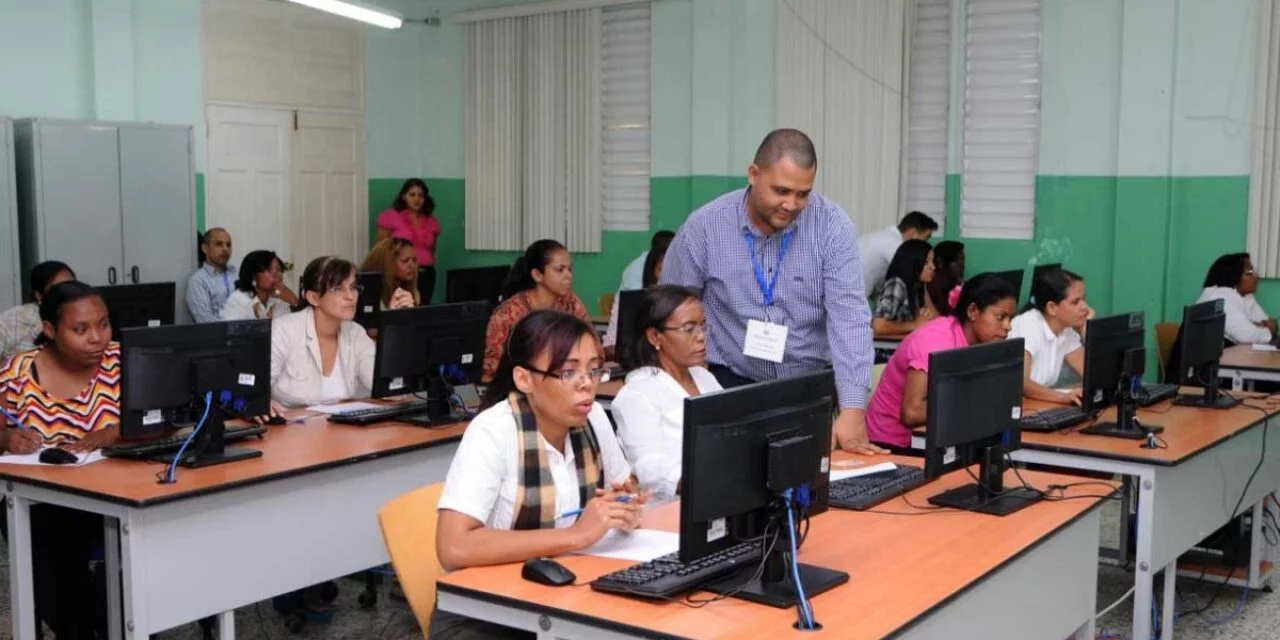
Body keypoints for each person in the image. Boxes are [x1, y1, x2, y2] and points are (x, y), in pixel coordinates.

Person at [661, 128, 879, 454]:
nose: (791, 204)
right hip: (729, 380)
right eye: (781, 190)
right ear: (753, 174)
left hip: (805, 383)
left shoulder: (832, 226)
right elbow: (670, 308)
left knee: (809, 491)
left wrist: (852, 409)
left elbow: (849, 318)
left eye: (802, 194)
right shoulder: (705, 227)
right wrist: (681, 385)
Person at [433, 310, 641, 639]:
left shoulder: (595, 418)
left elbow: (627, 487)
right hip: (488, 614)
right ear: (524, 379)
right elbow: (453, 547)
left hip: (569, 593)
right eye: (568, 372)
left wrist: (624, 506)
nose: (587, 383)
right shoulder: (493, 430)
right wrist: (578, 535)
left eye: (593, 369)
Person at [0, 280, 120, 638]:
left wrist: (115, 432)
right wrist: (7, 437)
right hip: (42, 504)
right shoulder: (16, 373)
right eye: (80, 329)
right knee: (57, 570)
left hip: (115, 492)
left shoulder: (121, 361)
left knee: (142, 566)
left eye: (103, 323)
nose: (97, 338)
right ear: (49, 330)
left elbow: (161, 419)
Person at [864, 274, 1017, 450]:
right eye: (1000, 317)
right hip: (890, 444)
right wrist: (973, 403)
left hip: (936, 437)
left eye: (1010, 319)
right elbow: (911, 413)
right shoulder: (936, 341)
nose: (1007, 326)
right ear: (972, 311)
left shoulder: (981, 343)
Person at [610, 285, 721, 500]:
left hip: (718, 498)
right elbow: (648, 466)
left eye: (703, 327)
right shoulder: (637, 393)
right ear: (654, 337)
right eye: (689, 329)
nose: (701, 337)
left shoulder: (704, 377)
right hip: (671, 509)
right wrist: (707, 480)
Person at [270, 256, 409, 408]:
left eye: (353, 287)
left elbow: (390, 389)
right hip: (293, 428)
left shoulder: (355, 333)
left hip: (342, 429)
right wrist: (265, 404)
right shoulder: (282, 331)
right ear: (313, 297)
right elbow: (253, 395)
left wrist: (395, 327)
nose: (350, 296)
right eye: (338, 289)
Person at [482, 240, 594, 383]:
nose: (569, 275)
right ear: (537, 275)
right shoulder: (508, 314)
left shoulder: (570, 303)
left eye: (570, 269)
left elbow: (593, 345)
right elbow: (491, 370)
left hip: (564, 382)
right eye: (560, 270)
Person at [1009, 268, 1091, 405]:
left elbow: (1093, 375)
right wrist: (1063, 398)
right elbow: (1021, 383)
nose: (1085, 307)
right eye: (1076, 302)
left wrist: (1087, 331)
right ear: (1052, 308)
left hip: (1038, 405)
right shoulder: (1028, 325)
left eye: (1084, 299)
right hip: (1018, 408)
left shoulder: (1066, 330)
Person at [375, 179, 441, 304]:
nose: (417, 199)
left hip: (425, 273)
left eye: (421, 195)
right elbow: (380, 248)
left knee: (423, 309)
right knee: (401, 307)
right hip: (399, 274)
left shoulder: (432, 221)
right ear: (403, 197)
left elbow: (432, 251)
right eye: (412, 195)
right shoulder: (390, 217)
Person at [0, 260, 76, 366]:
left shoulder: (86, 314)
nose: (68, 293)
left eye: (71, 285)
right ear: (39, 296)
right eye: (57, 289)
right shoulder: (14, 319)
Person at [1195, 253, 1276, 345]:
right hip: (1197, 358)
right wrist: (1267, 329)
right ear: (1233, 275)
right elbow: (1248, 336)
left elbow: (1269, 322)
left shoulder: (1245, 296)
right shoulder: (1221, 297)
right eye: (1249, 272)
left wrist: (1257, 326)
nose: (1256, 276)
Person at [603, 238, 668, 352]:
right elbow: (611, 345)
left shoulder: (687, 304)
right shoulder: (633, 301)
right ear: (652, 272)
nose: (666, 277)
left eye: (672, 270)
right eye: (661, 270)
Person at [857, 211, 939, 298]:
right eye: (926, 238)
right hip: (848, 295)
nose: (925, 244)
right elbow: (912, 276)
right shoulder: (895, 245)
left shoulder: (885, 237)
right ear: (913, 233)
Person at [871, 239, 938, 335]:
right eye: (927, 262)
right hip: (891, 348)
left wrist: (926, 315)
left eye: (932, 261)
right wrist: (915, 324)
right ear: (913, 262)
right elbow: (878, 326)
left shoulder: (918, 285)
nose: (933, 267)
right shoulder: (897, 284)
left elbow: (931, 317)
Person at [220, 250, 298, 321]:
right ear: (253, 275)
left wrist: (293, 300)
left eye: (279, 269)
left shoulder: (279, 299)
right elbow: (232, 333)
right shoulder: (238, 300)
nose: (276, 274)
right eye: (268, 269)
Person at [187, 227, 237, 323]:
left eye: (228, 245)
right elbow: (206, 321)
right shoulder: (198, 281)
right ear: (205, 248)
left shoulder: (237, 273)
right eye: (219, 244)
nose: (225, 249)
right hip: (221, 336)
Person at [360, 237, 420, 310]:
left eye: (414, 260)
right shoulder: (368, 292)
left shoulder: (414, 292)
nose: (412, 266)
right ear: (387, 264)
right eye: (405, 260)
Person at [928, 240, 965, 314]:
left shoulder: (953, 284)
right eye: (956, 261)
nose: (961, 266)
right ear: (940, 262)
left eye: (962, 261)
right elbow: (946, 314)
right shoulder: (935, 284)